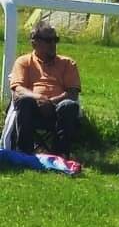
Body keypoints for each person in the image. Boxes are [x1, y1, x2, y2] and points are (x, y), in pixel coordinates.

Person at [8, 22, 81, 158]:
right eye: (48, 40)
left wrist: (50, 101)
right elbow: (18, 88)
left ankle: (60, 156)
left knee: (69, 105)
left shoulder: (68, 63)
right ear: (34, 43)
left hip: (58, 107)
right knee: (24, 101)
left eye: (55, 40)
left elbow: (72, 93)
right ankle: (25, 154)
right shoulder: (24, 62)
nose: (53, 44)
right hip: (32, 107)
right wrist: (39, 98)